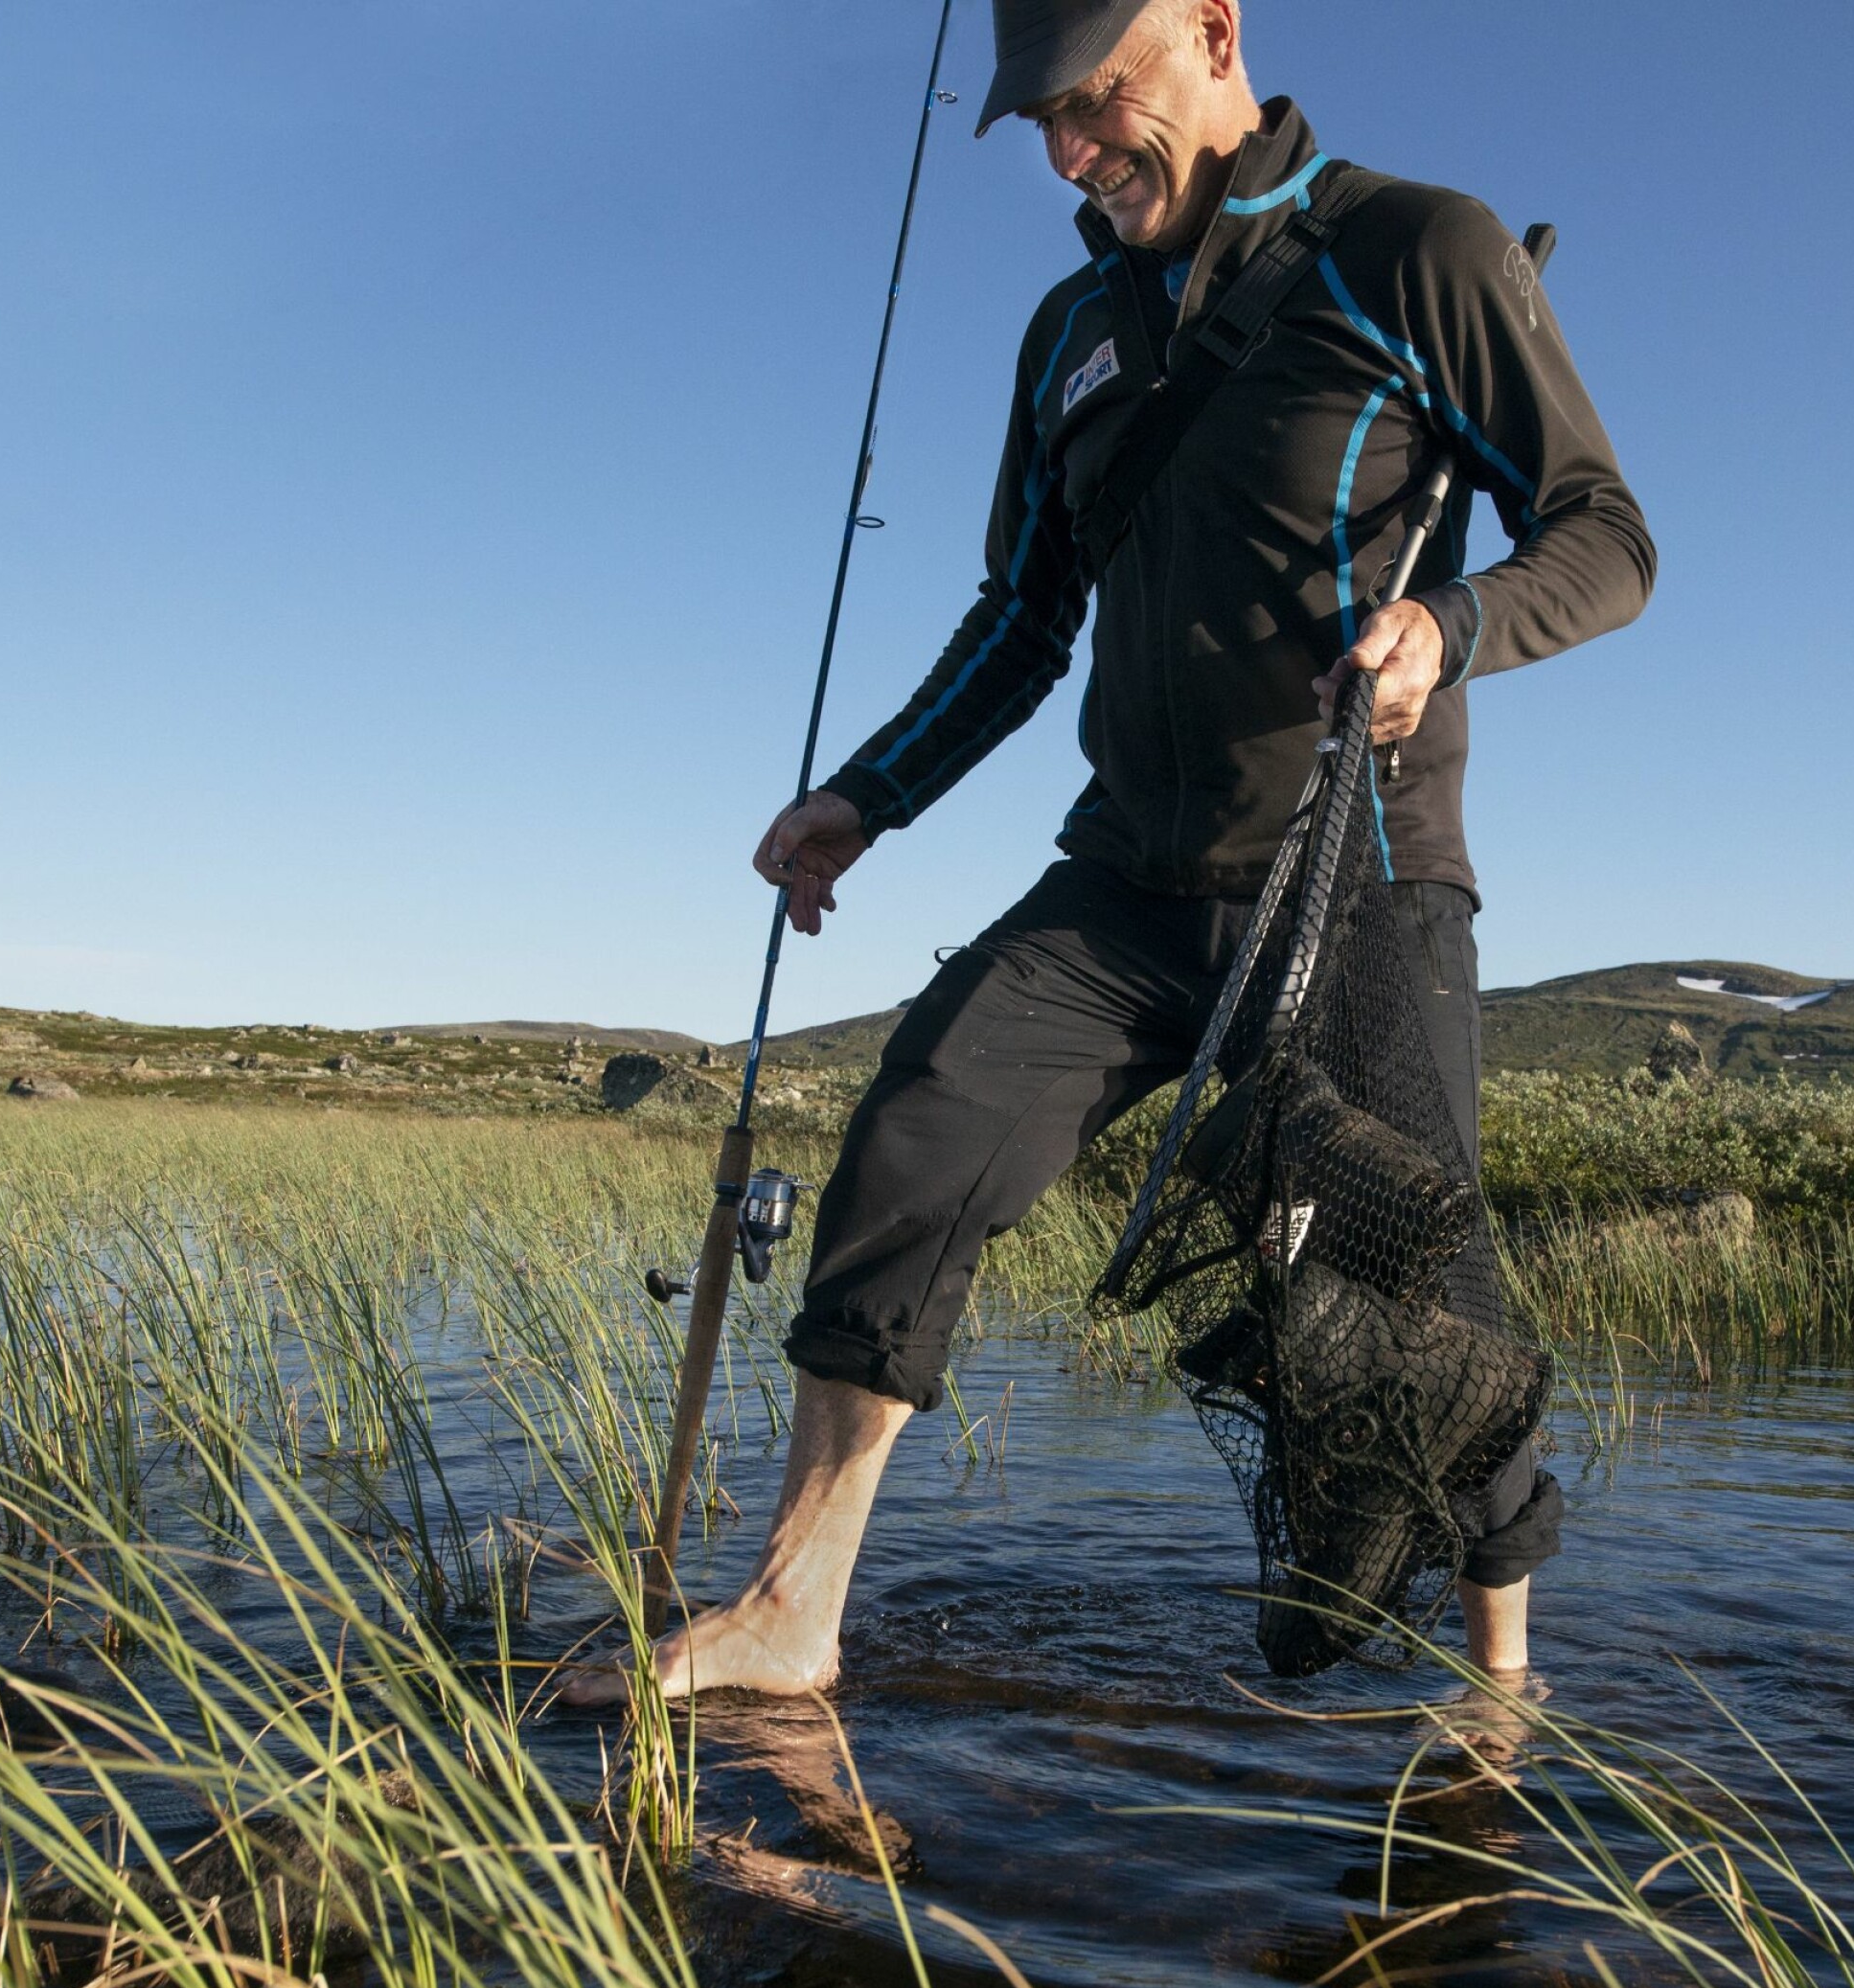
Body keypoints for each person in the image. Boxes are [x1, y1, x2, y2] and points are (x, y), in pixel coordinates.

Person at [571, 0, 1652, 1705]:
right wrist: (868, 794)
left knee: (1412, 1299)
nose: (1073, 153)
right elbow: (1022, 617)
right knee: (919, 1123)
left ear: (1214, 26)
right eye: (1044, 125)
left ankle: (1501, 1691)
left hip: (1355, 878)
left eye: (1098, 99)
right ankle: (791, 1612)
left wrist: (1447, 628)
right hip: (1127, 885)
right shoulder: (1069, 331)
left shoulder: (1416, 248)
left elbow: (1604, 534)